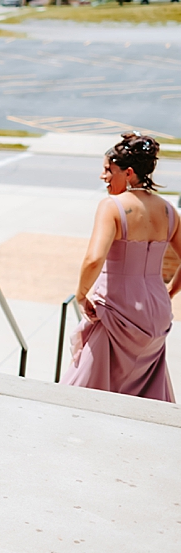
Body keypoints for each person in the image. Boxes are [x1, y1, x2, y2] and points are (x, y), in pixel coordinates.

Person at [62, 133, 178, 402]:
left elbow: (93, 259)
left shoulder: (111, 207)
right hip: (157, 313)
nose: (103, 177)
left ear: (128, 173)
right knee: (140, 395)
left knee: (82, 393)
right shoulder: (169, 210)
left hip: (117, 311)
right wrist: (170, 291)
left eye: (107, 170)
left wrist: (81, 294)